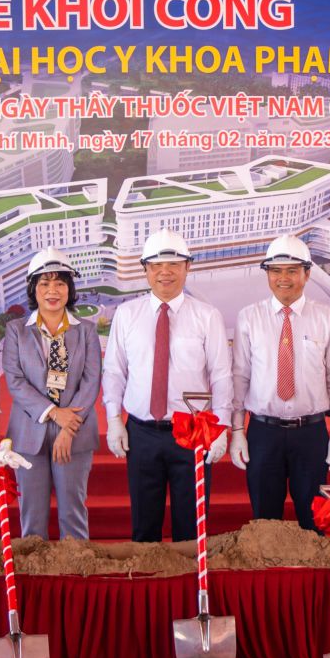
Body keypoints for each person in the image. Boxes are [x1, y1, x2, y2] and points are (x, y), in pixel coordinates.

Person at [102, 227, 232, 542]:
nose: (165, 272)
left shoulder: (207, 316)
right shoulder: (126, 314)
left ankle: (190, 575)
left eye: (174, 264)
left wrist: (221, 427)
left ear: (188, 267)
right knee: (144, 526)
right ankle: (148, 576)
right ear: (145, 269)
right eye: (157, 265)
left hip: (192, 433)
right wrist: (114, 420)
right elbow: (115, 371)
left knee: (191, 528)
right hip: (141, 433)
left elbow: (221, 374)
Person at [229, 234, 330, 532]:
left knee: (314, 521)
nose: (283, 278)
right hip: (262, 433)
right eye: (276, 271)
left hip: (311, 434)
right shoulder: (249, 318)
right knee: (265, 523)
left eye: (292, 271)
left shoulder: (327, 318)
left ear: (307, 274)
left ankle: (315, 564)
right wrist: (237, 430)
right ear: (267, 274)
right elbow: (240, 377)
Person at [2, 248, 101, 539]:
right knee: (32, 516)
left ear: (70, 288)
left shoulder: (86, 331)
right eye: (44, 283)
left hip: (75, 432)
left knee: (73, 511)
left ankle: (75, 565)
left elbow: (91, 381)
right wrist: (54, 413)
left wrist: (68, 428)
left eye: (60, 283)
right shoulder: (17, 331)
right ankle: (34, 568)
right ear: (34, 289)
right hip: (29, 432)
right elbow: (15, 381)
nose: (52, 291)